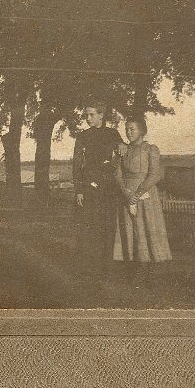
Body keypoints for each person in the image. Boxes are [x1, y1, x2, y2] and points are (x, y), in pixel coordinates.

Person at [71, 100, 125, 280]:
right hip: (89, 188)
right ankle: (88, 269)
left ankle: (107, 269)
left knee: (108, 227)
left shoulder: (113, 134)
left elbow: (122, 154)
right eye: (86, 115)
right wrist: (79, 189)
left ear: (102, 115)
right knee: (89, 227)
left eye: (92, 114)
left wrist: (122, 147)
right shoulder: (83, 136)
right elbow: (77, 164)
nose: (88, 118)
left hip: (108, 188)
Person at [113, 116, 173, 271]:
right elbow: (117, 175)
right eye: (126, 129)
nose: (128, 132)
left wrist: (137, 194)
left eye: (132, 129)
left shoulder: (150, 149)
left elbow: (155, 175)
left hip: (145, 194)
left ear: (142, 131)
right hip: (127, 194)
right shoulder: (123, 150)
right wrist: (127, 194)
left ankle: (151, 269)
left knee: (146, 228)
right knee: (130, 229)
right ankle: (133, 267)